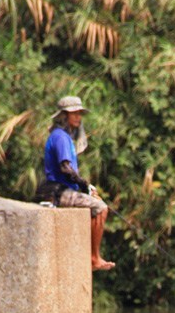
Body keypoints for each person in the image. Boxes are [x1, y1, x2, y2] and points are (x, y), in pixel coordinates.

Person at [35, 96, 115, 271]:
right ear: (64, 115)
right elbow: (65, 168)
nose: (78, 117)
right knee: (101, 208)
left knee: (96, 203)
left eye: (79, 113)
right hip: (58, 192)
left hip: (64, 189)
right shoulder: (61, 137)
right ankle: (94, 258)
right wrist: (85, 185)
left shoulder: (61, 136)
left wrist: (84, 189)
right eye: (74, 113)